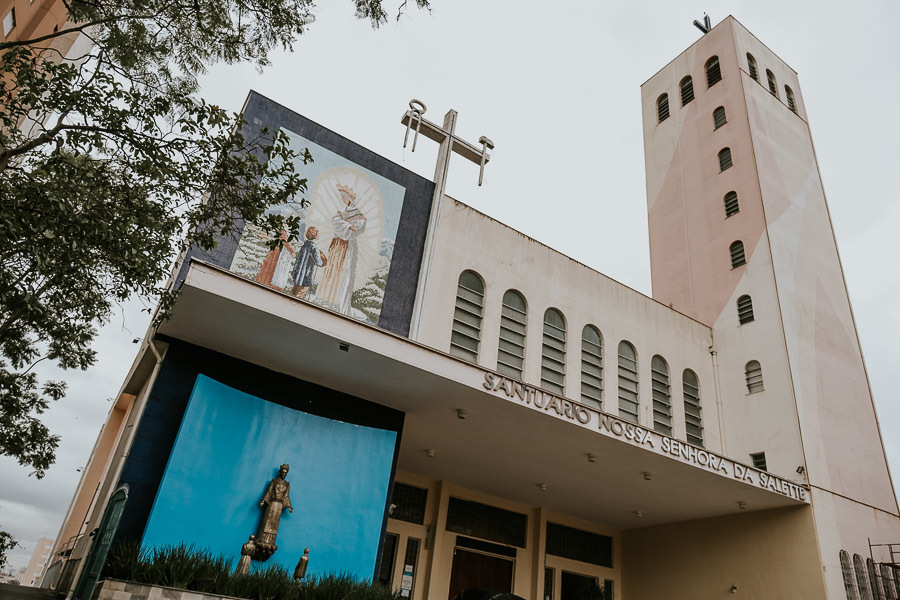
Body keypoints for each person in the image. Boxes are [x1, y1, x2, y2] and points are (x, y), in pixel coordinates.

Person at [317, 184, 367, 314]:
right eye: (341, 197)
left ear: (350, 198)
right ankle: (325, 298)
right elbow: (335, 222)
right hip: (337, 245)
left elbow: (355, 231)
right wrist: (347, 225)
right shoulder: (343, 213)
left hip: (346, 247)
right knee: (331, 270)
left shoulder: (358, 215)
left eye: (344, 197)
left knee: (342, 273)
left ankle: (335, 302)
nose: (342, 200)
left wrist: (343, 225)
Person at [254, 464, 293, 560]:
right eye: (283, 472)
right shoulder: (274, 481)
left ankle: (270, 542)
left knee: (274, 525)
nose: (284, 474)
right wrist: (263, 500)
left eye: (285, 473)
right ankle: (262, 539)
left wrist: (289, 506)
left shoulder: (287, 484)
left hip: (279, 506)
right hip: (272, 504)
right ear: (280, 472)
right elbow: (269, 492)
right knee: (266, 522)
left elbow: (286, 496)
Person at [291, 227, 327, 299]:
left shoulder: (305, 244)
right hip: (306, 275)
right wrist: (323, 257)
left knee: (293, 292)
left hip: (298, 274)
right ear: (316, 236)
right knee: (300, 295)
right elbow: (318, 262)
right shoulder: (314, 248)